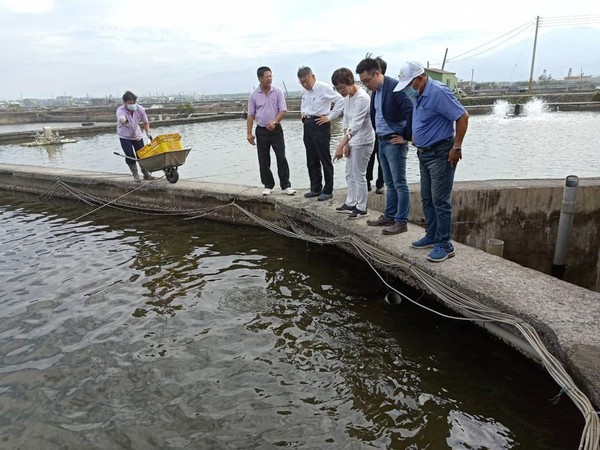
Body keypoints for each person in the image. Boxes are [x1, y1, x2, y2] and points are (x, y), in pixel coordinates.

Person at [393, 61, 469, 262]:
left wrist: (457, 147)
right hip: (424, 153)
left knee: (440, 200)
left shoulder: (438, 92)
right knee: (427, 197)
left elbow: (462, 117)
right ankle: (432, 235)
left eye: (411, 84)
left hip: (441, 152)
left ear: (419, 78)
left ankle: (445, 244)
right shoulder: (419, 94)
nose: (409, 88)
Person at [355, 57, 413, 235]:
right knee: (389, 182)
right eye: (363, 82)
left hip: (395, 142)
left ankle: (401, 221)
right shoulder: (377, 91)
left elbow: (410, 110)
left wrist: (406, 136)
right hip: (381, 141)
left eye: (367, 81)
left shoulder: (395, 87)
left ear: (377, 73)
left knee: (399, 183)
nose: (366, 85)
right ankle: (389, 215)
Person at [331, 68, 375, 219]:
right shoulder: (347, 97)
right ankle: (351, 202)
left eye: (342, 87)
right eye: (337, 89)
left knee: (359, 174)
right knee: (349, 172)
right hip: (352, 140)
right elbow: (346, 121)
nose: (341, 91)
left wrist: (340, 146)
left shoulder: (362, 98)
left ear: (350, 82)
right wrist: (346, 144)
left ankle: (362, 207)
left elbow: (355, 126)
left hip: (364, 141)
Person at [246, 66, 296, 196]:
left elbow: (283, 109)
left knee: (281, 157)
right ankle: (268, 185)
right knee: (263, 159)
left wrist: (275, 122)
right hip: (261, 130)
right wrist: (249, 133)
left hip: (276, 129)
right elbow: (251, 115)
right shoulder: (253, 95)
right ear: (259, 78)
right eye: (267, 77)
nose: (270, 79)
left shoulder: (277, 91)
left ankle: (286, 185)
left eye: (271, 76)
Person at [297, 66, 344, 201]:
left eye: (307, 81)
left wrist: (329, 117)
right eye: (302, 82)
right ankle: (315, 187)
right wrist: (303, 113)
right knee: (311, 159)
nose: (305, 84)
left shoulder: (323, 88)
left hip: (320, 123)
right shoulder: (305, 92)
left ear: (313, 76)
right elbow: (304, 103)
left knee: (324, 158)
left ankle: (328, 190)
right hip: (308, 124)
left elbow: (340, 100)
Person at [116, 91, 154, 182]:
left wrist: (147, 132)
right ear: (124, 102)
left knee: (142, 155)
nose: (132, 105)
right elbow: (121, 118)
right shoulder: (120, 110)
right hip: (125, 136)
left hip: (137, 135)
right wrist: (125, 122)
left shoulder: (140, 109)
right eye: (130, 103)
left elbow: (145, 122)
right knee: (130, 155)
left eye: (134, 103)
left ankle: (146, 174)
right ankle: (136, 175)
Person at [365, 55, 386, 195]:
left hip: (382, 131)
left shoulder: (388, 88)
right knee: (368, 158)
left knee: (382, 158)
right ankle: (366, 182)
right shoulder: (367, 89)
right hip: (369, 129)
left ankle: (380, 183)